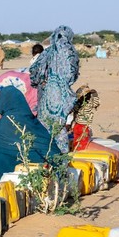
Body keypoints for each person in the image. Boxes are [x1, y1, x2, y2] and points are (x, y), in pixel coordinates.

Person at [29, 25, 79, 153]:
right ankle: (61, 156)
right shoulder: (71, 51)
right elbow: (73, 73)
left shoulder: (48, 52)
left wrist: (41, 81)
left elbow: (34, 70)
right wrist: (63, 82)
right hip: (62, 95)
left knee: (44, 124)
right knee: (59, 126)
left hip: (46, 93)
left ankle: (45, 154)